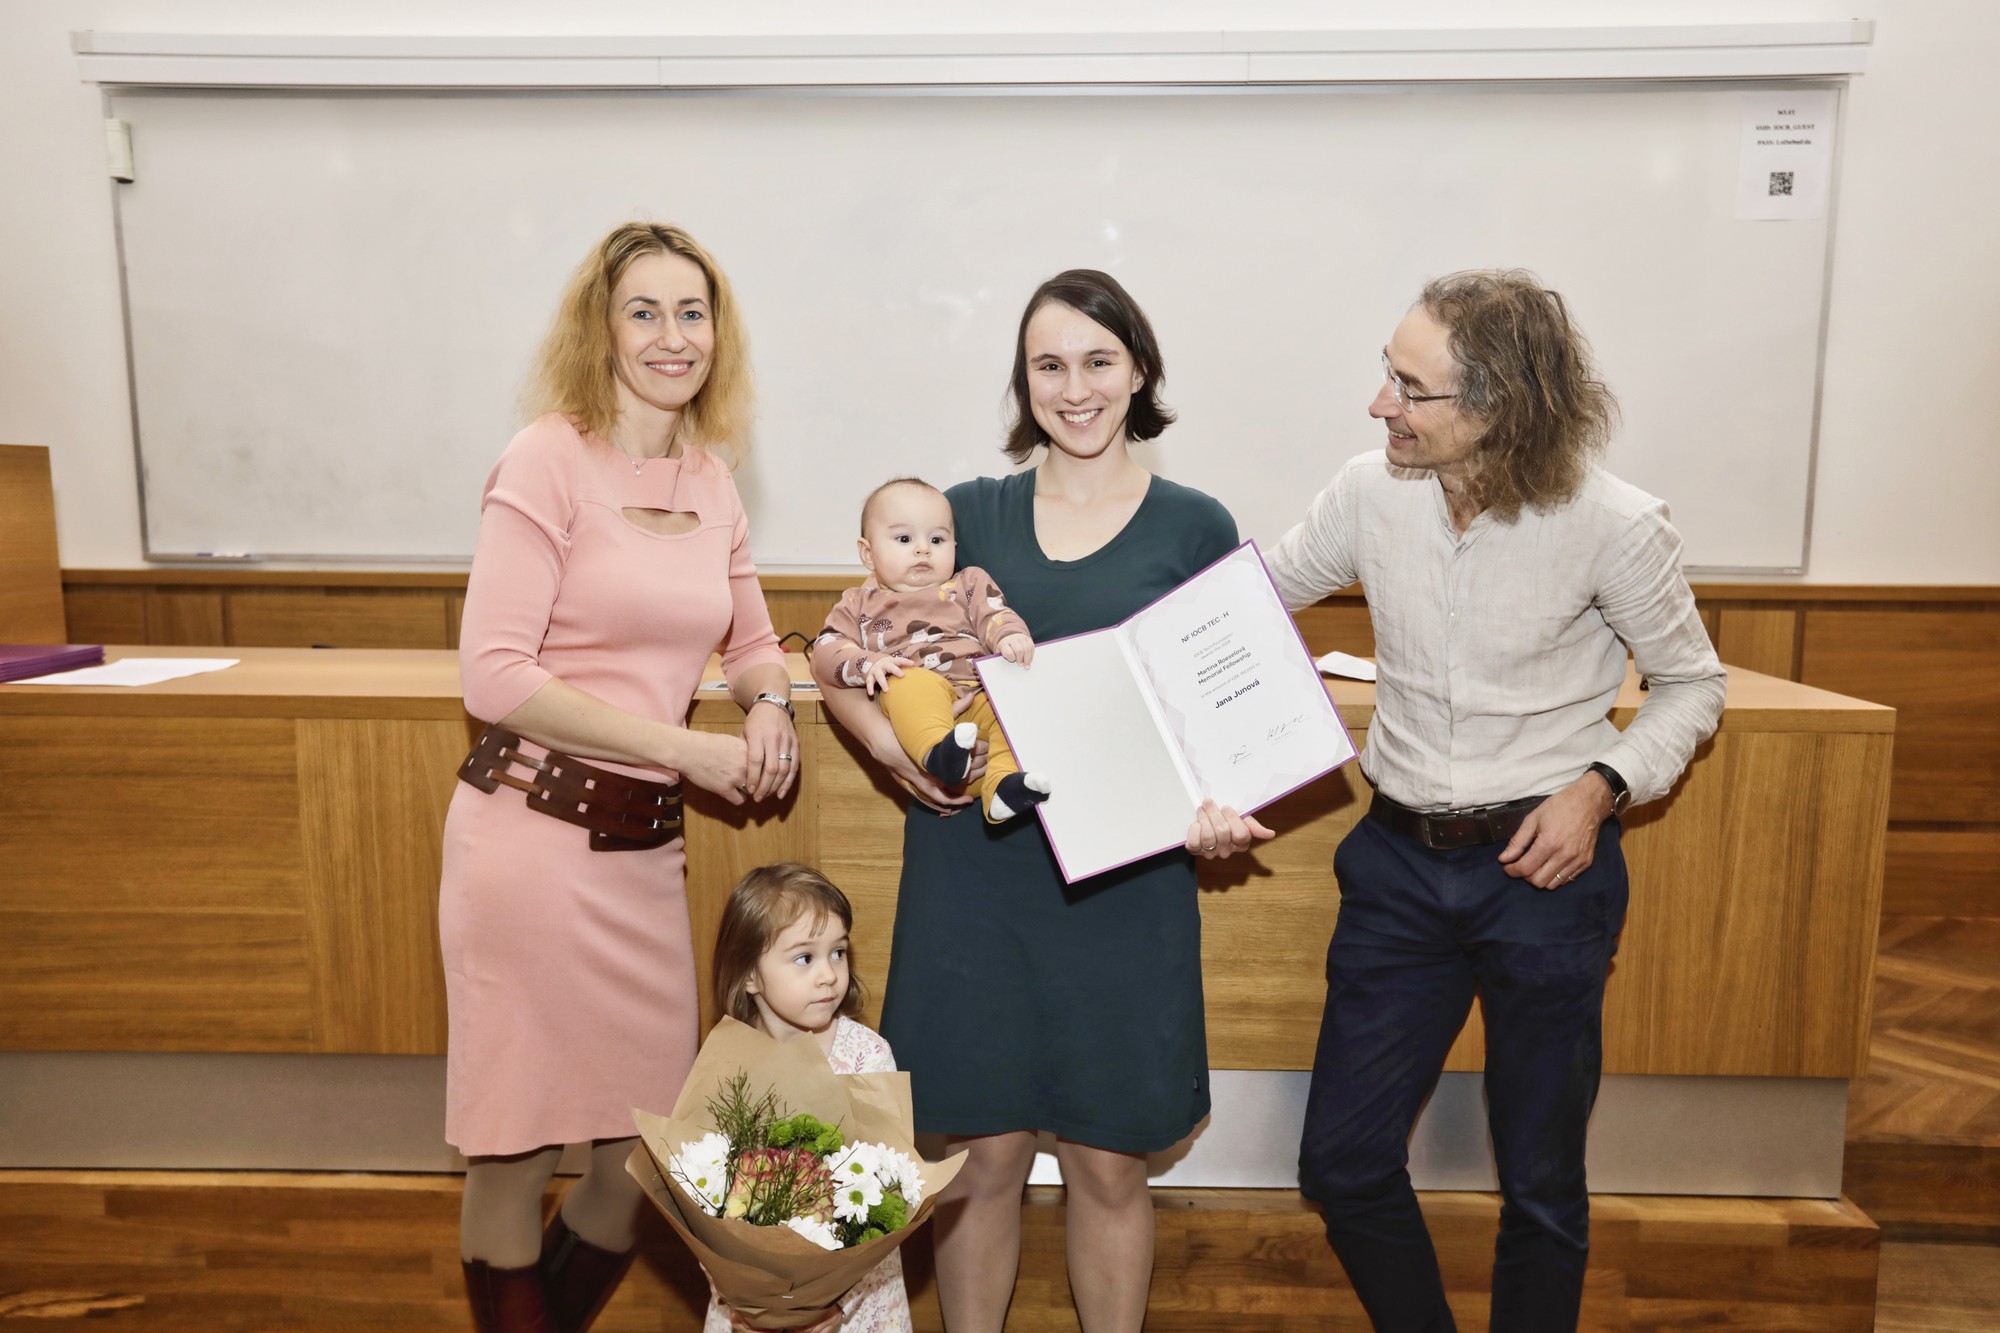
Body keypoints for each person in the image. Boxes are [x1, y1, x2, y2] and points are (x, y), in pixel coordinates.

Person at [1258, 269, 1727, 1332]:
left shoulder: (1613, 524)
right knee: (1340, 1159)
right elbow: (1239, 606)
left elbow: (1693, 685)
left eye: (1410, 388)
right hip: (1393, 868)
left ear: (1496, 408)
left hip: (1544, 875)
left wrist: (1598, 790)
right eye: (1388, 373)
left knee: (1540, 1184)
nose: (1381, 403)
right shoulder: (1365, 493)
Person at [812, 269, 1259, 1333]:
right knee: (979, 1161)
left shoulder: (1196, 525)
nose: (1074, 387)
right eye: (1048, 365)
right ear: (1024, 380)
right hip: (976, 883)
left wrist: (1217, 800)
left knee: (1109, 1167)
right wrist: (892, 755)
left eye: (1098, 360)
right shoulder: (957, 518)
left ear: (1137, 369)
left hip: (1126, 883)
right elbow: (836, 661)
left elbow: (1227, 706)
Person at [442, 221, 798, 1333]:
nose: (670, 335)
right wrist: (686, 748)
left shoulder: (712, 477)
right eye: (643, 311)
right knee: (515, 1149)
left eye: (692, 312)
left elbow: (749, 638)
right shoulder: (546, 457)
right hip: (528, 842)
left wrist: (770, 700)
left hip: (639, 859)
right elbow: (493, 674)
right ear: (600, 330)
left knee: (642, 1151)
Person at [702, 863, 915, 1333]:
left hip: (857, 1301)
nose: (829, 976)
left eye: (838, 953)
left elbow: (892, 1196)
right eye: (805, 958)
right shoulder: (726, 1067)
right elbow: (700, 1205)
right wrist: (744, 1300)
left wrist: (832, 1304)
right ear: (749, 974)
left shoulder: (865, 1056)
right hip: (750, 1309)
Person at [813, 476, 1050, 823]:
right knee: (909, 680)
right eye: (904, 539)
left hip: (977, 706)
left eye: (937, 539)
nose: (923, 549)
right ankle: (940, 753)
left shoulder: (968, 583)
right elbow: (825, 650)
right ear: (868, 552)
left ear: (955, 545)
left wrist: (1008, 637)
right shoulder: (859, 602)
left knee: (1010, 710)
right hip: (924, 737)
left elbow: (995, 614)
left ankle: (1003, 788)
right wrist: (869, 663)